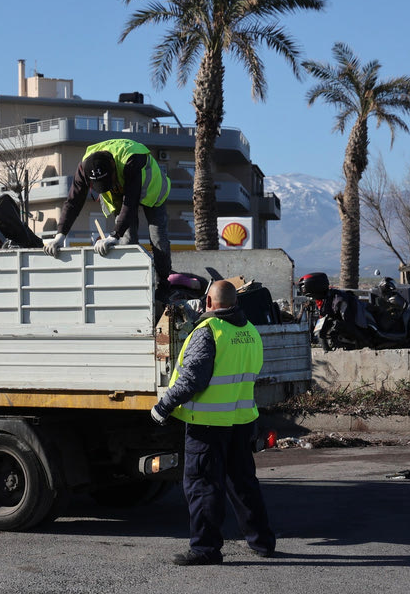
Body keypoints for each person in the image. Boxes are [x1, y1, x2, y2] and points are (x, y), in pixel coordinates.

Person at [151, 280, 275, 565]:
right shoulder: (249, 331)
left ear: (208, 303)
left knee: (203, 486)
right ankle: (263, 542)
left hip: (207, 424)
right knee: (243, 484)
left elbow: (192, 379)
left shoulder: (208, 332)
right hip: (241, 421)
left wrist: (163, 407)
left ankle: (205, 550)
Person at [42, 138, 172, 299]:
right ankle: (132, 287)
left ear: (113, 168)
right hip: (122, 191)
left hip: (151, 188)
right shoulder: (84, 168)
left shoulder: (131, 160)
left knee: (158, 239)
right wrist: (60, 236)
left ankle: (164, 284)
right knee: (127, 241)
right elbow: (73, 202)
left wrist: (114, 235)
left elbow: (130, 202)